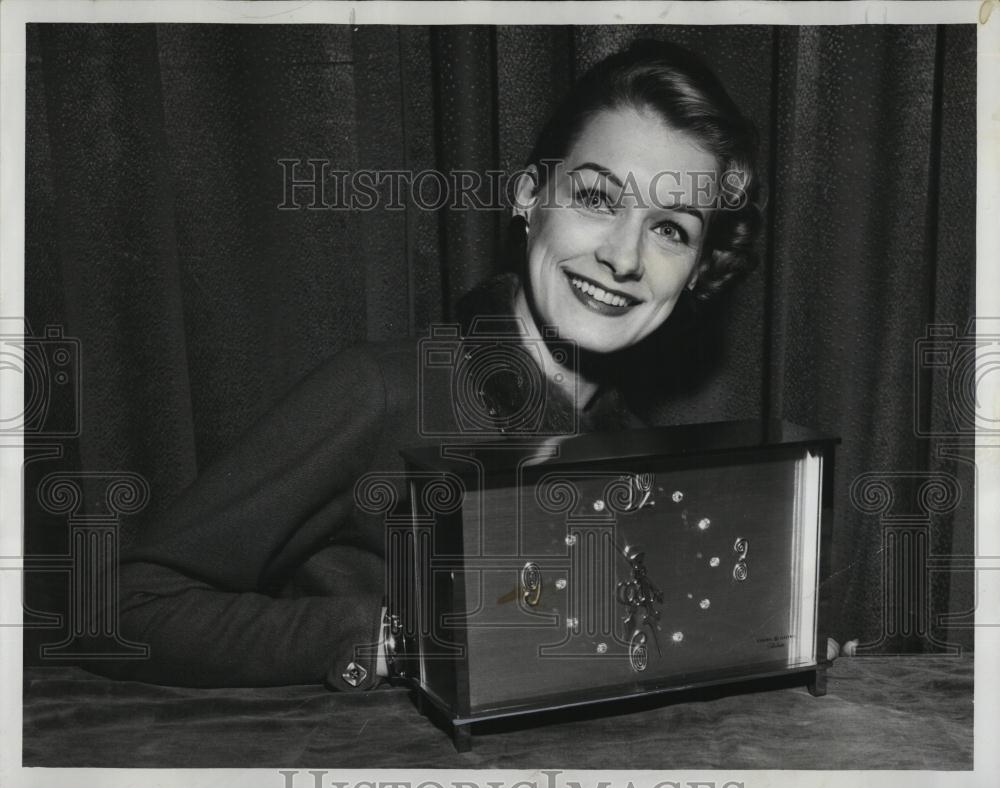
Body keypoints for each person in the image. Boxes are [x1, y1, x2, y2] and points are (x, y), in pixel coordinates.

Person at [98, 39, 761, 690]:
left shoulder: (636, 452)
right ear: (529, 197)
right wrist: (392, 639)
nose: (624, 256)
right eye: (596, 198)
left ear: (696, 269)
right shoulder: (385, 391)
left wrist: (763, 639)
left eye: (670, 228)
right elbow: (119, 609)